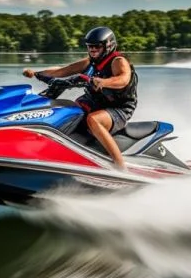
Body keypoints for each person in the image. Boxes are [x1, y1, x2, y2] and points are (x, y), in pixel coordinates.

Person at [22, 26, 137, 170]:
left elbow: (123, 79)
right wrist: (36, 73)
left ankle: (121, 168)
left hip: (119, 108)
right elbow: (62, 71)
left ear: (108, 46)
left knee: (93, 119)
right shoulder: (90, 62)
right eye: (90, 46)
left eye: (96, 46)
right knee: (65, 110)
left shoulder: (118, 61)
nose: (92, 50)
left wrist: (103, 82)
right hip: (95, 102)